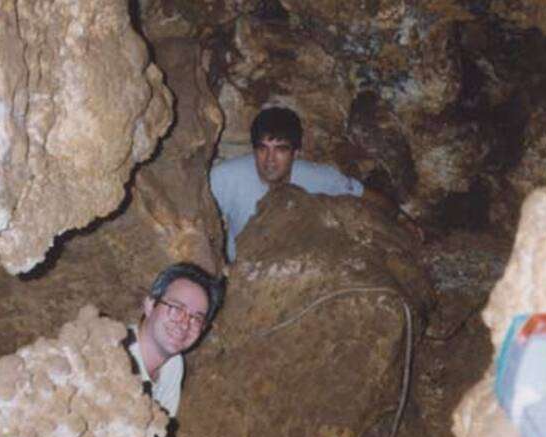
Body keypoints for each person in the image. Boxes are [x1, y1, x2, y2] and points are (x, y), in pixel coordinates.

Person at [210, 106, 399, 261]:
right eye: (262, 149)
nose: (270, 160)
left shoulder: (318, 177)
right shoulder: (225, 177)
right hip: (242, 273)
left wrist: (401, 220)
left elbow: (369, 198)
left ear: (296, 153)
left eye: (280, 150)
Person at [124, 262, 224, 417]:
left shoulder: (173, 365)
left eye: (196, 319)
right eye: (176, 308)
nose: (184, 324)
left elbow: (159, 433)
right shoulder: (115, 353)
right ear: (150, 305)